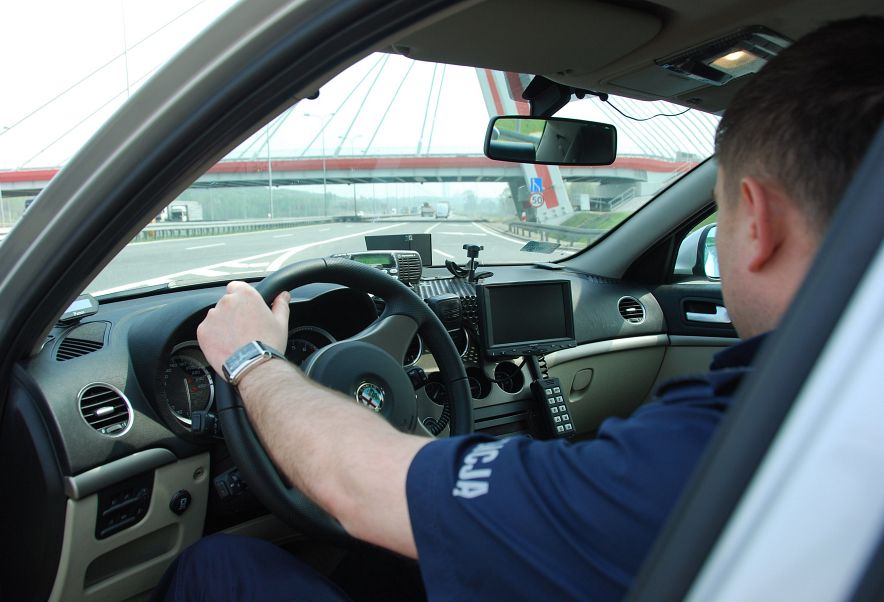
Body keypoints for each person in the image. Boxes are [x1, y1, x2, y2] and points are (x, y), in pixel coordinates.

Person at [155, 17, 884, 601]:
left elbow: (358, 487)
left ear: (758, 222)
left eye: (719, 214)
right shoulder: (831, 408)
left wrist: (253, 360)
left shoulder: (720, 447)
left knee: (220, 565)